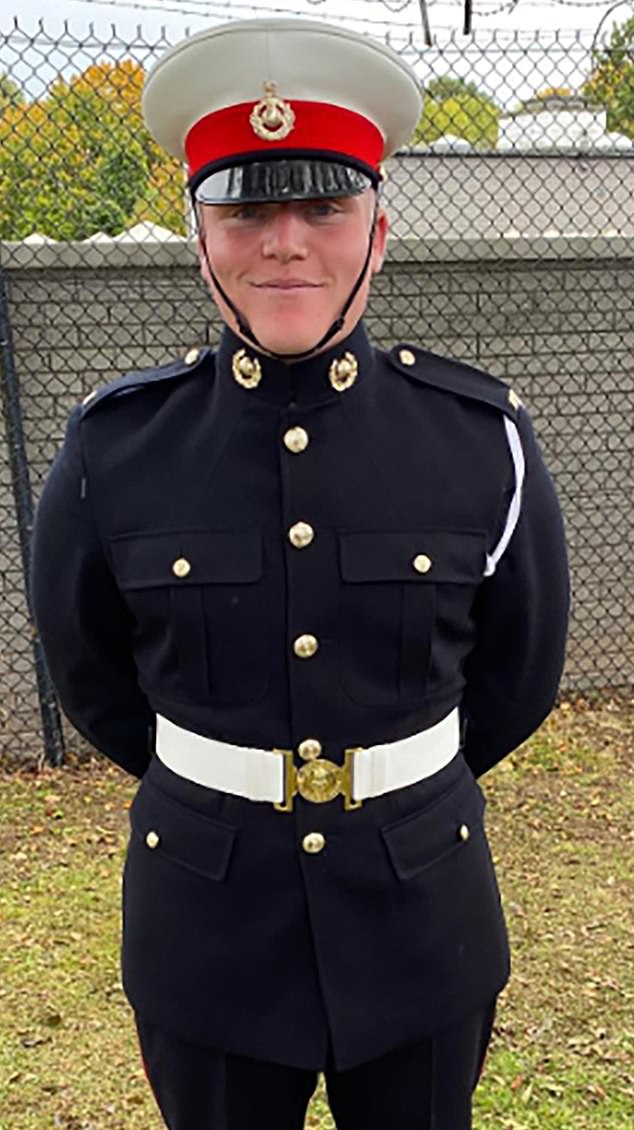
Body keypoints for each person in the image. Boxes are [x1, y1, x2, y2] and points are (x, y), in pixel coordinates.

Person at [30, 16, 569, 1130]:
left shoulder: (482, 437)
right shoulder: (114, 447)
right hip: (206, 923)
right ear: (198, 233)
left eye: (325, 205)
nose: (286, 241)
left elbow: (516, 678)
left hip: (425, 916)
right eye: (246, 207)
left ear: (379, 230)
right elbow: (94, 679)